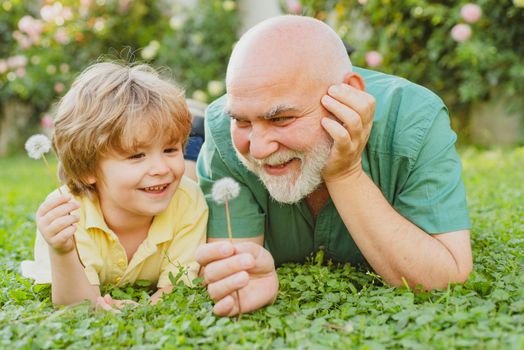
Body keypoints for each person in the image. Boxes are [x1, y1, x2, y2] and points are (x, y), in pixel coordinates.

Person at [195, 15, 472, 317]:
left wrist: (345, 173)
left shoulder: (415, 119)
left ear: (348, 94)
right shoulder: (223, 130)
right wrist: (241, 280)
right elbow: (236, 272)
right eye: (243, 121)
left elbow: (445, 279)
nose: (258, 148)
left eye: (281, 118)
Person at [21, 61, 208, 308]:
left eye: (170, 149)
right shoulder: (68, 213)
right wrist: (63, 252)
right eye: (136, 155)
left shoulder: (188, 200)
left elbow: (179, 288)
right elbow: (75, 306)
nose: (161, 168)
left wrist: (146, 309)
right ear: (88, 169)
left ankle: (198, 125)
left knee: (195, 165)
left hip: (194, 157)